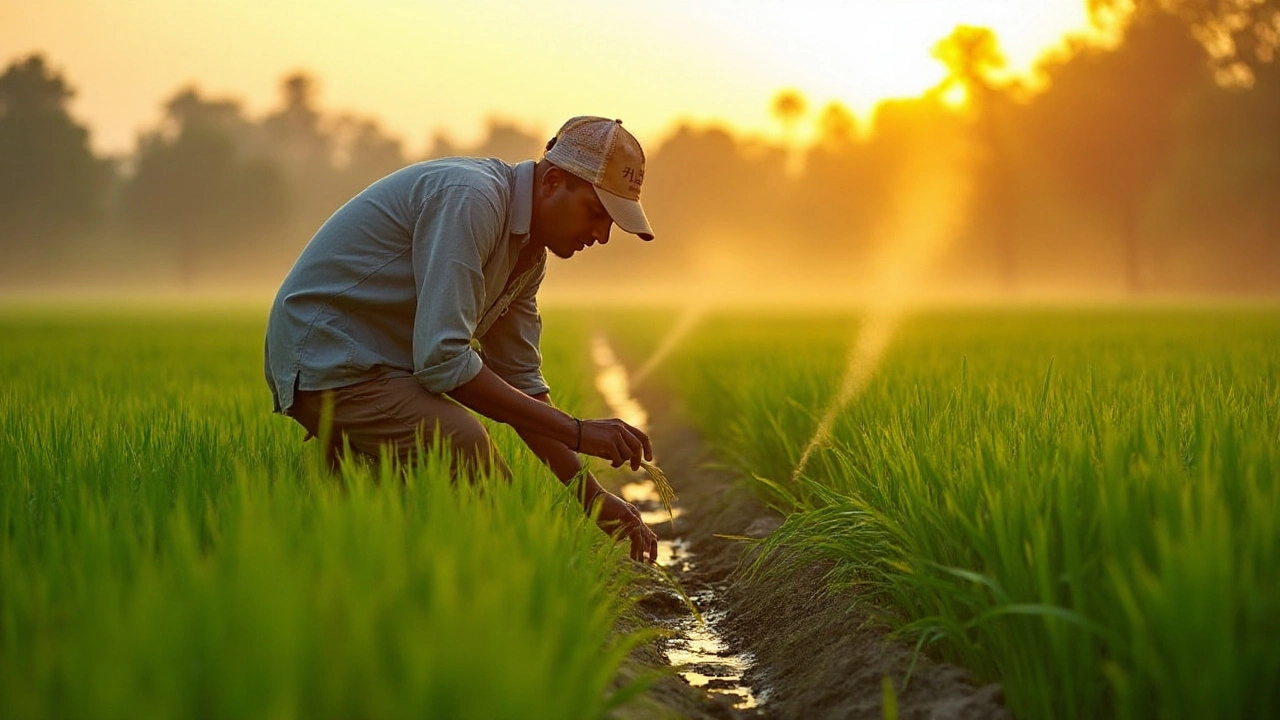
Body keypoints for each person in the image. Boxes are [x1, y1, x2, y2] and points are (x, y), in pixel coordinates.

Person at [265, 116, 661, 563]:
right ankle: (499, 595)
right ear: (553, 182)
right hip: (328, 353)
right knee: (464, 446)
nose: (602, 235)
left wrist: (590, 496)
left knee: (380, 525)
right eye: (596, 212)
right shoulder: (472, 200)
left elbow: (522, 381)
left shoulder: (528, 255)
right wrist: (577, 432)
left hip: (382, 365)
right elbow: (443, 361)